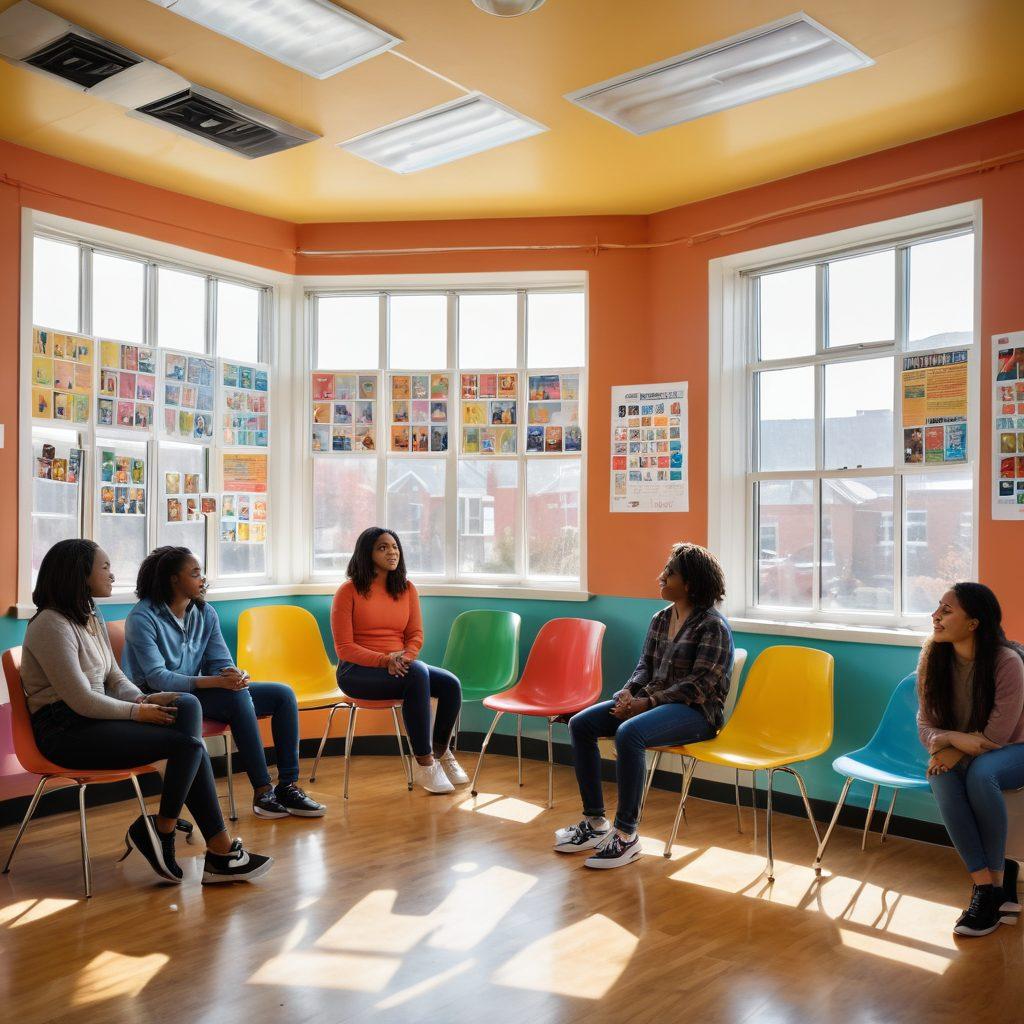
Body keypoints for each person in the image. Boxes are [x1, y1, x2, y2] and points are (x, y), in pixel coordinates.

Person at [20, 540, 272, 884]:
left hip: (93, 719)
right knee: (188, 745)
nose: (112, 574)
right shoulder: (51, 625)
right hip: (64, 730)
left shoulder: (90, 616)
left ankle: (170, 833)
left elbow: (113, 676)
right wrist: (138, 714)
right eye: (105, 567)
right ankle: (197, 842)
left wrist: (141, 701)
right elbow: (80, 699)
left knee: (186, 705)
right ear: (80, 575)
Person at [557, 542, 734, 869]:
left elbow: (699, 686)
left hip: (697, 714)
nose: (661, 577)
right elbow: (644, 667)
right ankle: (596, 823)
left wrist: (645, 703)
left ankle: (626, 836)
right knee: (580, 724)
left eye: (670, 572)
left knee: (629, 733)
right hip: (650, 704)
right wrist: (626, 694)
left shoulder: (713, 626)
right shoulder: (661, 619)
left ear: (691, 583)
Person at [122, 547, 325, 820]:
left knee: (281, 694)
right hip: (159, 700)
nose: (202, 579)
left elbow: (220, 662)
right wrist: (218, 682)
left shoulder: (205, 613)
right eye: (195, 574)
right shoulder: (142, 618)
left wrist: (233, 675)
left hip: (198, 694)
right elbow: (157, 678)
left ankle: (287, 786)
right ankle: (263, 791)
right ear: (173, 579)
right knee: (236, 698)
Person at [918, 582, 1024, 936]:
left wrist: (950, 748)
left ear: (974, 623)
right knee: (940, 777)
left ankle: (993, 887)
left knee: (981, 774)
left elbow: (998, 735)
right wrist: (949, 739)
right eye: (938, 608)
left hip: (1015, 748)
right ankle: (987, 888)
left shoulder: (1006, 661)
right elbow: (926, 724)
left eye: (946, 611)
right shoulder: (932, 658)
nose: (936, 616)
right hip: (965, 749)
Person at [331, 527, 464, 794]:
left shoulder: (407, 589)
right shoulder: (348, 592)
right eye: (382, 547)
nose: (392, 552)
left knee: (450, 683)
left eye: (394, 547)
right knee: (417, 674)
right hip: (358, 672)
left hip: (401, 666)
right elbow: (344, 648)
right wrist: (384, 661)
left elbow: (415, 634)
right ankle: (424, 763)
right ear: (366, 553)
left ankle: (441, 752)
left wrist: (404, 658)